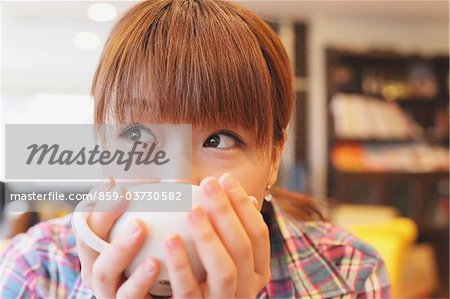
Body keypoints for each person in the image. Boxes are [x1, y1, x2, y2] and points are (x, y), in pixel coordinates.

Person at [0, 0, 390, 298]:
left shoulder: (347, 272)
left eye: (218, 140)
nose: (177, 177)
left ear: (274, 158)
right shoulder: (37, 266)